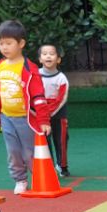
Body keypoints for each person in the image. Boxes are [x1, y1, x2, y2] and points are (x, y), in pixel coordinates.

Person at [0, 19, 51, 195]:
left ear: (21, 43)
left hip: (25, 118)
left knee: (29, 152)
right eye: (1, 43)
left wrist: (43, 120)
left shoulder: (29, 68)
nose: (4, 47)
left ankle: (39, 176)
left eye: (9, 43)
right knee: (12, 151)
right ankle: (20, 179)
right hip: (6, 117)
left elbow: (38, 96)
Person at [38, 44, 70, 177]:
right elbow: (32, 95)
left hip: (58, 114)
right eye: (44, 54)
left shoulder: (62, 78)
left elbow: (61, 99)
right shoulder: (35, 76)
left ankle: (62, 166)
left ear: (58, 59)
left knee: (61, 140)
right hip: (41, 114)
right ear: (40, 59)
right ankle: (48, 166)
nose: (48, 56)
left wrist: (49, 113)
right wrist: (40, 113)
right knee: (44, 141)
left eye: (52, 54)